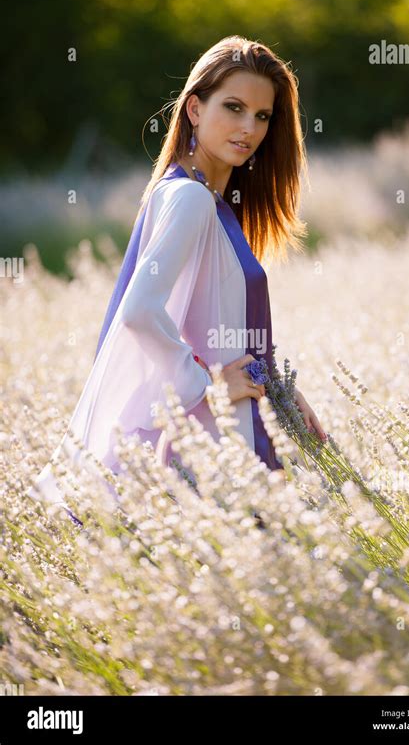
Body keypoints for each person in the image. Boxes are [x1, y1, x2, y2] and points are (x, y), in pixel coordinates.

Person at [31, 35, 327, 511]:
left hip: (224, 440)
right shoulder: (189, 198)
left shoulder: (201, 199)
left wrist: (284, 397)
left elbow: (216, 330)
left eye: (262, 116)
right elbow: (139, 312)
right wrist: (206, 389)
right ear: (194, 109)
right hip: (208, 448)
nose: (248, 127)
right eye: (233, 107)